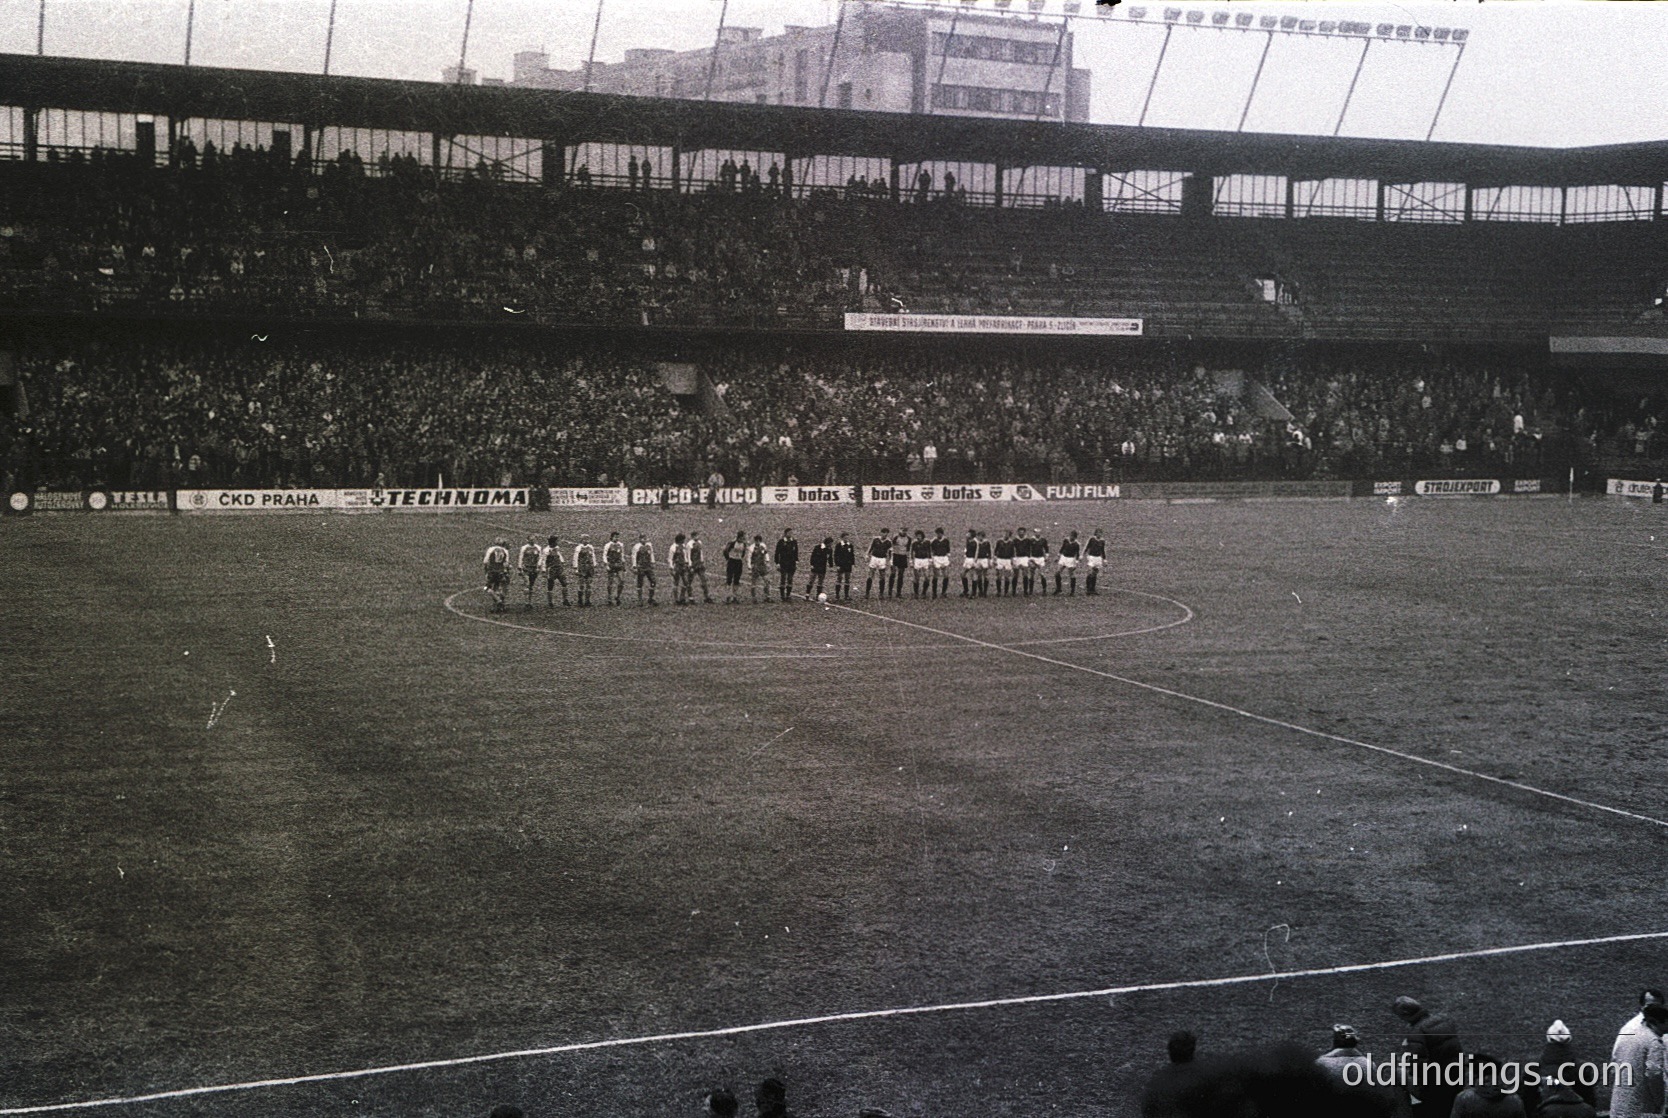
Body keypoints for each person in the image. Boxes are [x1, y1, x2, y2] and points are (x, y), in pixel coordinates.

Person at [1392, 995, 1463, 1118]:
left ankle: (1407, 1114)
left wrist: (1406, 1063)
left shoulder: (1417, 1032)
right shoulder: (1444, 1020)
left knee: (1396, 1073)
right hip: (1456, 1081)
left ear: (1405, 1014)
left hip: (1434, 1089)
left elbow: (1418, 1068)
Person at [1608, 1002, 1667, 1118]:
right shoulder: (1654, 1042)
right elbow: (1654, 1074)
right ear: (1656, 1022)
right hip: (1641, 1108)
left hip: (1619, 1103)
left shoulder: (1628, 1034)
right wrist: (1660, 1100)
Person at [1139, 1030, 1200, 1118]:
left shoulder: (1158, 1082)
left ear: (1170, 1050)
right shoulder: (1209, 1076)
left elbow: (1148, 1110)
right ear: (1193, 1049)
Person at [483, 537, 511, 613]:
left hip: (492, 571)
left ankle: (499, 601)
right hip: (501, 572)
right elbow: (506, 563)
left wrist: (486, 570)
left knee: (486, 588)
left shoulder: (491, 549)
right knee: (496, 587)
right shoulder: (505, 551)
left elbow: (485, 562)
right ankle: (495, 606)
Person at [541, 533, 569, 607]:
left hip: (559, 568)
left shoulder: (556, 548)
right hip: (551, 569)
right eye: (556, 541)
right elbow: (543, 560)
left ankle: (565, 600)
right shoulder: (546, 550)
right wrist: (543, 570)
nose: (557, 542)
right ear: (552, 542)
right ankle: (550, 602)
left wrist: (562, 561)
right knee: (550, 585)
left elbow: (559, 555)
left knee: (564, 583)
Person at [631, 532, 658, 606]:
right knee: (640, 583)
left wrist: (653, 562)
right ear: (640, 539)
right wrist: (634, 567)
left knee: (653, 581)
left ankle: (650, 598)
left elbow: (651, 554)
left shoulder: (649, 545)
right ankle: (640, 600)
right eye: (643, 539)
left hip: (648, 566)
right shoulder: (637, 547)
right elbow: (634, 557)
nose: (644, 540)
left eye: (645, 538)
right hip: (641, 567)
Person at [688, 530, 714, 604]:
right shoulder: (690, 544)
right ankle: (690, 597)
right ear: (692, 536)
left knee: (704, 580)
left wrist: (702, 561)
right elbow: (688, 555)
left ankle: (706, 596)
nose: (697, 537)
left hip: (699, 564)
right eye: (696, 536)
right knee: (689, 581)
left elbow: (701, 553)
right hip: (693, 564)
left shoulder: (699, 543)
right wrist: (690, 566)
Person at [774, 528, 799, 603]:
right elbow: (777, 553)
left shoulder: (794, 542)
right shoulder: (781, 542)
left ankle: (788, 595)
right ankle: (782, 596)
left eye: (791, 532)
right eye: (789, 533)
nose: (790, 534)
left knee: (790, 579)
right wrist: (777, 563)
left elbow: (796, 552)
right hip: (783, 563)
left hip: (791, 564)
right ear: (785, 533)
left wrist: (797, 561)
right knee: (783, 579)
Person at [722, 529, 748, 604]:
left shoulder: (744, 544)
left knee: (737, 579)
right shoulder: (732, 543)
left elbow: (743, 552)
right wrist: (728, 558)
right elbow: (725, 550)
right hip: (732, 561)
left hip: (738, 562)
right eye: (743, 537)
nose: (744, 539)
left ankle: (734, 596)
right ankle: (727, 596)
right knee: (729, 579)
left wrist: (740, 557)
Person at [603, 530, 628, 606]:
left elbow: (622, 554)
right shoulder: (608, 545)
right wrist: (606, 565)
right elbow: (604, 555)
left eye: (618, 537)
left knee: (622, 580)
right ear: (612, 537)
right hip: (611, 565)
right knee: (610, 582)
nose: (617, 538)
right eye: (615, 537)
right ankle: (609, 597)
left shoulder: (620, 545)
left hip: (619, 565)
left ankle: (618, 596)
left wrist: (624, 564)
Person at [517, 536, 542, 609]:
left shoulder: (538, 548)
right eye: (531, 540)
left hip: (534, 568)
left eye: (534, 539)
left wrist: (538, 567)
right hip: (526, 568)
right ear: (527, 540)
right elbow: (521, 557)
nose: (532, 541)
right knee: (527, 584)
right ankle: (526, 601)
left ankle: (529, 602)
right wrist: (520, 567)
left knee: (531, 585)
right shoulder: (524, 548)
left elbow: (540, 558)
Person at [866, 527, 891, 599]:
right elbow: (870, 547)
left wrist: (890, 560)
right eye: (884, 533)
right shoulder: (875, 539)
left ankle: (881, 593)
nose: (885, 535)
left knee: (882, 576)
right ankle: (867, 593)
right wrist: (867, 554)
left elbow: (890, 551)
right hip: (874, 558)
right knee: (871, 574)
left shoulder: (888, 542)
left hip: (882, 559)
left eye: (886, 533)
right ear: (881, 533)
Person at [573, 533, 597, 606]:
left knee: (589, 584)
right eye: (584, 539)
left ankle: (587, 601)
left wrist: (594, 564)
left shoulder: (591, 547)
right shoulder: (578, 548)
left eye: (587, 539)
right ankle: (580, 600)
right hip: (582, 567)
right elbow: (575, 558)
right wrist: (576, 568)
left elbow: (593, 556)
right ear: (581, 540)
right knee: (581, 584)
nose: (586, 541)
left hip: (589, 567)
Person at [929, 526, 952, 599]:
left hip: (944, 558)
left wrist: (947, 557)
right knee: (936, 575)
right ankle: (934, 593)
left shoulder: (946, 540)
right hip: (936, 558)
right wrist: (932, 559)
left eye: (939, 534)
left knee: (946, 575)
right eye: (937, 534)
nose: (938, 535)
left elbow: (948, 549)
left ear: (942, 534)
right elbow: (931, 550)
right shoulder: (933, 541)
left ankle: (943, 592)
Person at [669, 532, 692, 605]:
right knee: (676, 582)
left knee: (686, 582)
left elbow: (685, 556)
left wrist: (687, 563)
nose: (684, 541)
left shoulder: (683, 546)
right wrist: (671, 568)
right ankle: (676, 599)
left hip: (683, 566)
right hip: (677, 566)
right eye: (683, 540)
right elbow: (670, 559)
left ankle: (682, 597)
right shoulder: (673, 547)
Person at [805, 536, 832, 600]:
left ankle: (818, 595)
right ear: (827, 543)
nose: (831, 545)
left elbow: (830, 558)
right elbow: (813, 556)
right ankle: (807, 594)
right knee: (811, 581)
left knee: (820, 582)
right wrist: (812, 564)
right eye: (830, 543)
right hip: (815, 566)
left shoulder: (829, 549)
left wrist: (831, 565)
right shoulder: (817, 547)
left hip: (822, 567)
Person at [1056, 529, 1082, 596]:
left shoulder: (1076, 544)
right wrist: (1058, 555)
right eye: (1070, 536)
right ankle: (1058, 589)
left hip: (1071, 559)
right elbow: (1062, 548)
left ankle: (1072, 591)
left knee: (1071, 574)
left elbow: (1077, 553)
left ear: (1075, 537)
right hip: (1063, 557)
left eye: (1072, 536)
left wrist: (1076, 562)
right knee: (1057, 572)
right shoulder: (1066, 540)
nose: (1071, 537)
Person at [909, 529, 932, 599]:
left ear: (922, 536)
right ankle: (916, 593)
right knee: (916, 577)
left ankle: (924, 593)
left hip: (925, 560)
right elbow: (911, 552)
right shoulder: (914, 543)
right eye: (917, 536)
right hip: (917, 560)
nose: (918, 537)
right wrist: (911, 561)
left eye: (919, 536)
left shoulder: (927, 542)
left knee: (927, 577)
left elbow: (929, 551)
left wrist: (930, 560)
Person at [748, 534, 771, 603]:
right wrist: (749, 567)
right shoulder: (751, 548)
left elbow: (766, 554)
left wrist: (767, 562)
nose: (757, 542)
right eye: (756, 541)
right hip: (755, 566)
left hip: (762, 566)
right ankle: (754, 598)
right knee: (754, 582)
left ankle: (767, 596)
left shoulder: (763, 546)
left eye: (759, 541)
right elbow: (749, 558)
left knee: (767, 581)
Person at [889, 526, 911, 599]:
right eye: (902, 530)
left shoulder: (909, 539)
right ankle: (890, 592)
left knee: (901, 575)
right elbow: (890, 547)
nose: (903, 532)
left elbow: (908, 549)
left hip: (903, 556)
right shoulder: (895, 537)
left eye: (905, 531)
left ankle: (899, 592)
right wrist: (890, 558)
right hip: (895, 556)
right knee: (893, 573)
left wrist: (908, 558)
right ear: (899, 530)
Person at [993, 529, 1016, 597]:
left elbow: (1012, 552)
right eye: (1005, 533)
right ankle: (999, 591)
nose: (1005, 534)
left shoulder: (1011, 542)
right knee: (999, 576)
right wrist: (995, 559)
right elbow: (995, 551)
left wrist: (1012, 560)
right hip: (1000, 559)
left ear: (1009, 535)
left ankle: (1006, 592)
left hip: (1007, 560)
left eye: (1007, 533)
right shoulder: (999, 541)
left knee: (1007, 576)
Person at [1084, 528, 1107, 596]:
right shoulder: (1092, 539)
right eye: (1098, 533)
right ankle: (1088, 589)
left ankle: (1093, 589)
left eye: (1101, 533)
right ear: (1096, 533)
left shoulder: (1102, 541)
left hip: (1098, 558)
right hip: (1091, 557)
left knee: (1095, 573)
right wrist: (1083, 555)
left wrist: (1104, 559)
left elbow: (1102, 550)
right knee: (1090, 572)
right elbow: (1087, 547)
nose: (1100, 535)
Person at [833, 531, 855, 601]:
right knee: (839, 579)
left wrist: (853, 564)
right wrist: (837, 564)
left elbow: (852, 555)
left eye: (847, 538)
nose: (846, 539)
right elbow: (836, 556)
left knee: (847, 580)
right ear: (842, 538)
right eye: (845, 538)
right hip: (841, 565)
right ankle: (837, 595)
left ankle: (846, 595)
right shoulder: (839, 545)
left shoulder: (850, 545)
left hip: (848, 565)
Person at [1031, 527, 1051, 598]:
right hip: (1033, 557)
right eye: (1036, 532)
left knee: (1042, 574)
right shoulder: (1031, 540)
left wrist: (1047, 556)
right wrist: (1030, 558)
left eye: (1038, 532)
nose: (1037, 533)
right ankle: (1030, 590)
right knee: (1032, 574)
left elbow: (1046, 549)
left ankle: (1044, 590)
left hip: (1040, 558)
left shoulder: (1043, 540)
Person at [1013, 526, 1033, 596]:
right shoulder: (1015, 540)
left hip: (1025, 558)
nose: (1021, 534)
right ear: (1018, 533)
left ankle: (1025, 591)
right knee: (1015, 574)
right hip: (1017, 557)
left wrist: (1029, 558)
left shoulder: (1028, 540)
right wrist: (1013, 558)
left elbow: (1030, 549)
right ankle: (1013, 591)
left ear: (1024, 533)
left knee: (1025, 574)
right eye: (1020, 532)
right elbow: (1013, 549)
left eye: (1022, 532)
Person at [974, 530, 993, 597]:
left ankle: (985, 591)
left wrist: (989, 560)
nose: (979, 538)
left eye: (981, 536)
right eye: (978, 536)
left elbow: (989, 551)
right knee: (979, 575)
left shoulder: (987, 543)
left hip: (984, 559)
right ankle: (980, 591)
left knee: (985, 575)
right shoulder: (976, 543)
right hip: (978, 559)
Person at [960, 529, 978, 598]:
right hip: (967, 559)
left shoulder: (975, 542)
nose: (967, 534)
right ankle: (966, 590)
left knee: (973, 575)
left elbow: (976, 552)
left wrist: (974, 561)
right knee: (963, 574)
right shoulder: (968, 541)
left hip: (972, 559)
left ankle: (973, 593)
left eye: (968, 533)